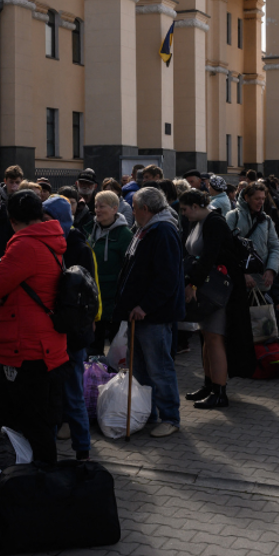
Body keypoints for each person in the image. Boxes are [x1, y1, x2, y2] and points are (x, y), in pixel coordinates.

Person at [0, 190, 69, 462]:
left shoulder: (25, 245)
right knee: (33, 421)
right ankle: (37, 482)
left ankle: (39, 485)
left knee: (29, 423)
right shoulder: (52, 239)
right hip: (45, 344)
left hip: (27, 348)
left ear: (11, 218)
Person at [113, 186, 185, 436]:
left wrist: (145, 306)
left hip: (153, 315)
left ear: (145, 209)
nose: (132, 212)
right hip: (139, 314)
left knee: (159, 368)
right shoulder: (146, 229)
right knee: (140, 368)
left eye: (134, 207)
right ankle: (148, 412)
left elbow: (166, 278)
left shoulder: (162, 231)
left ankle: (170, 417)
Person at [179, 190, 255, 408]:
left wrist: (193, 283)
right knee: (207, 336)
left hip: (220, 290)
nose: (184, 214)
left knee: (214, 337)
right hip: (210, 288)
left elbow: (209, 256)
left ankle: (219, 391)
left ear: (195, 206)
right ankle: (210, 384)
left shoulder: (214, 222)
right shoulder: (202, 221)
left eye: (185, 209)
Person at [42, 194, 97, 458]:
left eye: (47, 218)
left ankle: (82, 451)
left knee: (73, 394)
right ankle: (52, 450)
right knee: (55, 395)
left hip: (72, 333)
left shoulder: (78, 246)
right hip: (56, 331)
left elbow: (88, 294)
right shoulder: (52, 243)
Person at [89, 189, 133, 355]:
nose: (97, 210)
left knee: (116, 346)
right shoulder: (91, 229)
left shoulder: (124, 235)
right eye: (96, 206)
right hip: (95, 295)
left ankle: (116, 377)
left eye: (102, 206)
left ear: (115, 209)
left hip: (114, 296)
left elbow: (128, 266)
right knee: (95, 345)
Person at [226, 182, 279, 298]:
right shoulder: (233, 217)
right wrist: (243, 273)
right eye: (257, 198)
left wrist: (271, 269)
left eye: (263, 198)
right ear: (246, 198)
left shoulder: (266, 220)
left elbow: (275, 247)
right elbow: (227, 249)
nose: (261, 202)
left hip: (261, 281)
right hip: (237, 280)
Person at [74, 168, 99, 237]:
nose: (85, 185)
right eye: (82, 183)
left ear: (95, 186)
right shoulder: (70, 200)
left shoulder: (99, 203)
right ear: (76, 184)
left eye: (89, 183)